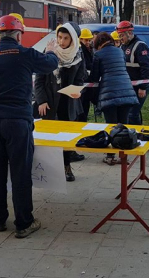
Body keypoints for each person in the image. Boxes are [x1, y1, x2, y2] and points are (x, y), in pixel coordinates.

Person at [0, 15, 59, 238]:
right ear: (19, 34)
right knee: (20, 172)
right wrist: (51, 50)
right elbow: (51, 64)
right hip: (17, 121)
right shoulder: (24, 54)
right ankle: (24, 222)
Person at [35, 22, 86, 182]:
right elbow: (39, 80)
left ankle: (66, 166)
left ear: (73, 40)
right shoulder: (49, 52)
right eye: (59, 37)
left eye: (65, 38)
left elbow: (81, 78)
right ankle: (47, 170)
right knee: (49, 138)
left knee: (66, 138)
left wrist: (78, 90)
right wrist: (41, 101)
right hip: (50, 103)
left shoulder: (78, 55)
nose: (62, 41)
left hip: (69, 102)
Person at [89, 32, 139, 165]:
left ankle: (110, 156)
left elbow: (94, 77)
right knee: (123, 125)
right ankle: (124, 156)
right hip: (127, 90)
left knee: (111, 125)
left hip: (109, 93)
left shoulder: (98, 54)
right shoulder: (120, 51)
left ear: (99, 44)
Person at [117, 21, 149, 125]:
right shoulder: (122, 47)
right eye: (119, 36)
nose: (120, 38)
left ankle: (137, 135)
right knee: (129, 113)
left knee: (133, 113)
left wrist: (143, 87)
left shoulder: (140, 46)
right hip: (129, 86)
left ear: (129, 33)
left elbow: (146, 68)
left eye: (122, 35)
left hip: (139, 87)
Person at [78, 28, 95, 123]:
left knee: (85, 109)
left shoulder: (89, 50)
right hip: (83, 85)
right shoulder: (81, 51)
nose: (88, 42)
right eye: (85, 40)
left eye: (89, 40)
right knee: (82, 111)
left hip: (87, 85)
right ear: (80, 39)